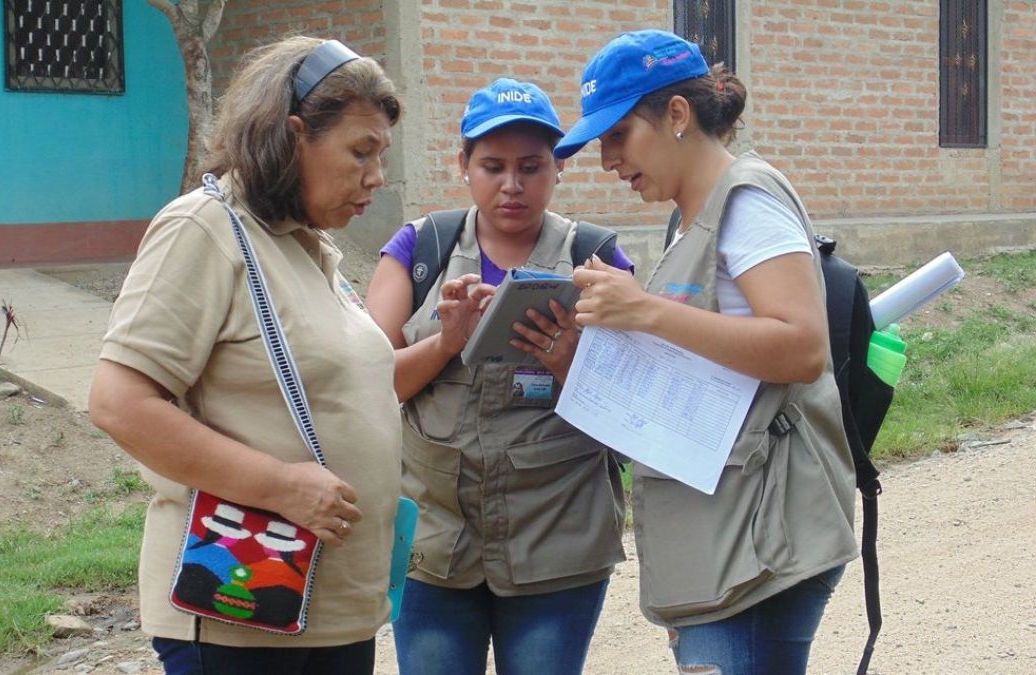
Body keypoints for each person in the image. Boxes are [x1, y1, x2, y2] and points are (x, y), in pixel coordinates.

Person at [87, 36, 403, 675]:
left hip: (330, 612)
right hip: (241, 615)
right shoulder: (203, 229)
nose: (376, 176)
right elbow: (119, 403)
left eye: (382, 154)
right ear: (293, 137)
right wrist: (281, 486)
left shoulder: (306, 247)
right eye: (360, 151)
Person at [553, 30, 859, 675]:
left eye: (617, 135)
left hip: (760, 540)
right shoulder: (691, 217)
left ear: (677, 115)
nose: (607, 160)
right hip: (723, 539)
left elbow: (803, 347)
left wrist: (645, 309)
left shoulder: (746, 201)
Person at [365, 78, 632, 675]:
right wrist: (447, 341)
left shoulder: (597, 259)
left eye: (532, 167)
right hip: (434, 546)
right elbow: (369, 392)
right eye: (492, 166)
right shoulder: (418, 250)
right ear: (464, 165)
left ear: (558, 169)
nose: (512, 185)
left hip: (559, 547)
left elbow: (637, 415)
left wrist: (568, 363)